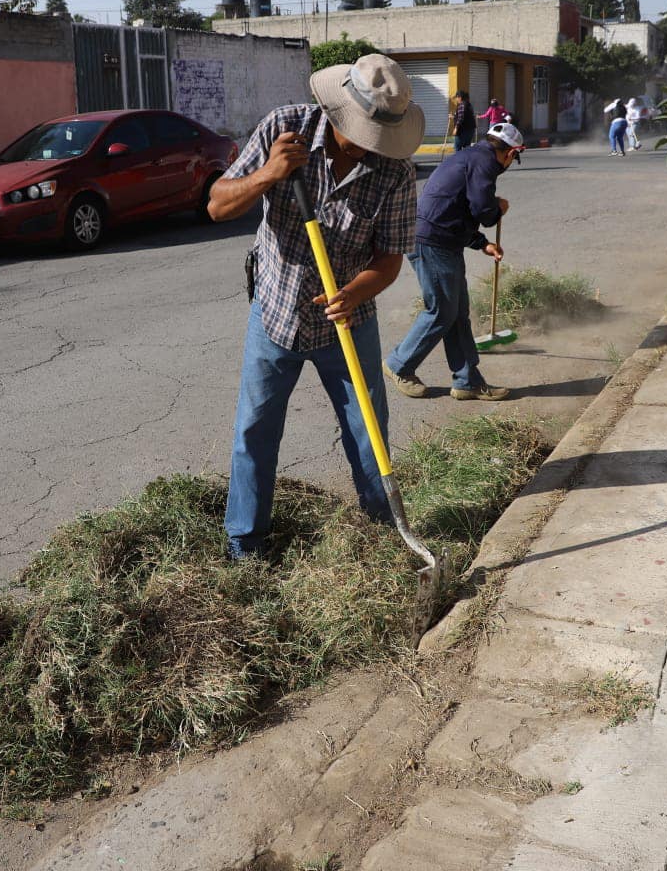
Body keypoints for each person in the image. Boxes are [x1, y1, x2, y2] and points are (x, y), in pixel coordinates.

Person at [206, 53, 422, 560]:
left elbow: (388, 261)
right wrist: (268, 175)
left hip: (348, 322)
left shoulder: (394, 172)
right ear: (339, 108)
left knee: (368, 432)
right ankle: (245, 543)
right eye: (362, 132)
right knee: (254, 431)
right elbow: (217, 205)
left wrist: (353, 293)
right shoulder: (286, 129)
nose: (371, 147)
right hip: (276, 312)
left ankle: (383, 533)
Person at [383, 122, 522, 404]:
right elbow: (483, 209)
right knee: (441, 312)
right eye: (513, 157)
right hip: (432, 242)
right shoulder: (484, 162)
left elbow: (455, 207)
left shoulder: (469, 156)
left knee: (457, 314)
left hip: (440, 240)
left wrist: (482, 243)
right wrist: (497, 209)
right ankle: (399, 364)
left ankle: (467, 381)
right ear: (510, 153)